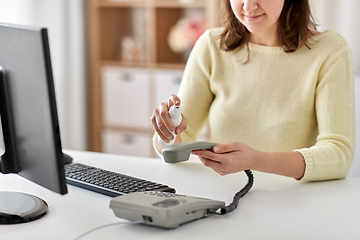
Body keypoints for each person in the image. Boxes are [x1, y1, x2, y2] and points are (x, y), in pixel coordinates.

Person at [151, 0, 355, 182]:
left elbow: (338, 155)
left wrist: (257, 160)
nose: (248, 6)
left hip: (294, 203)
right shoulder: (211, 46)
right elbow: (178, 144)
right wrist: (167, 132)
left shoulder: (330, 51)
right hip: (224, 200)